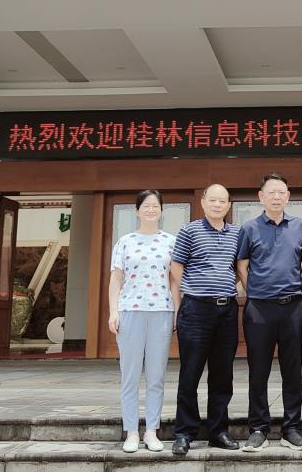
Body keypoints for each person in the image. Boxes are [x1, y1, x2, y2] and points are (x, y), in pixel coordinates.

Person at [236, 173, 302, 453]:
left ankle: (292, 428)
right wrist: (256, 291)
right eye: (271, 192)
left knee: (293, 370)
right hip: (259, 309)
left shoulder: (301, 226)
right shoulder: (249, 228)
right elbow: (242, 266)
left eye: (282, 192)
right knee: (258, 370)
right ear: (261, 196)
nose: (277, 197)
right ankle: (258, 428)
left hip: (293, 307)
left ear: (288, 197)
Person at [170, 184, 241, 456]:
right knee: (190, 373)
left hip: (227, 310)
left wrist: (224, 286)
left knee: (223, 375)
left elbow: (238, 268)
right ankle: (184, 432)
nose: (217, 204)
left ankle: (218, 431)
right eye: (213, 200)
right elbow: (176, 266)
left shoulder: (236, 233)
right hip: (196, 310)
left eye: (222, 201)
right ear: (203, 202)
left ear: (228, 205)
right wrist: (194, 288)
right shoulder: (189, 231)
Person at [108, 189, 178, 453]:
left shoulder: (170, 241)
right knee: (130, 375)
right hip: (130, 311)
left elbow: (174, 281)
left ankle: (151, 431)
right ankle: (131, 432)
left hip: (161, 311)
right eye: (146, 206)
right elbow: (116, 280)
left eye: (155, 205)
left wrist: (176, 311)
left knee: (156, 376)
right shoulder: (125, 242)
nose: (151, 209)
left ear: (161, 211)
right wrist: (113, 312)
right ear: (137, 211)